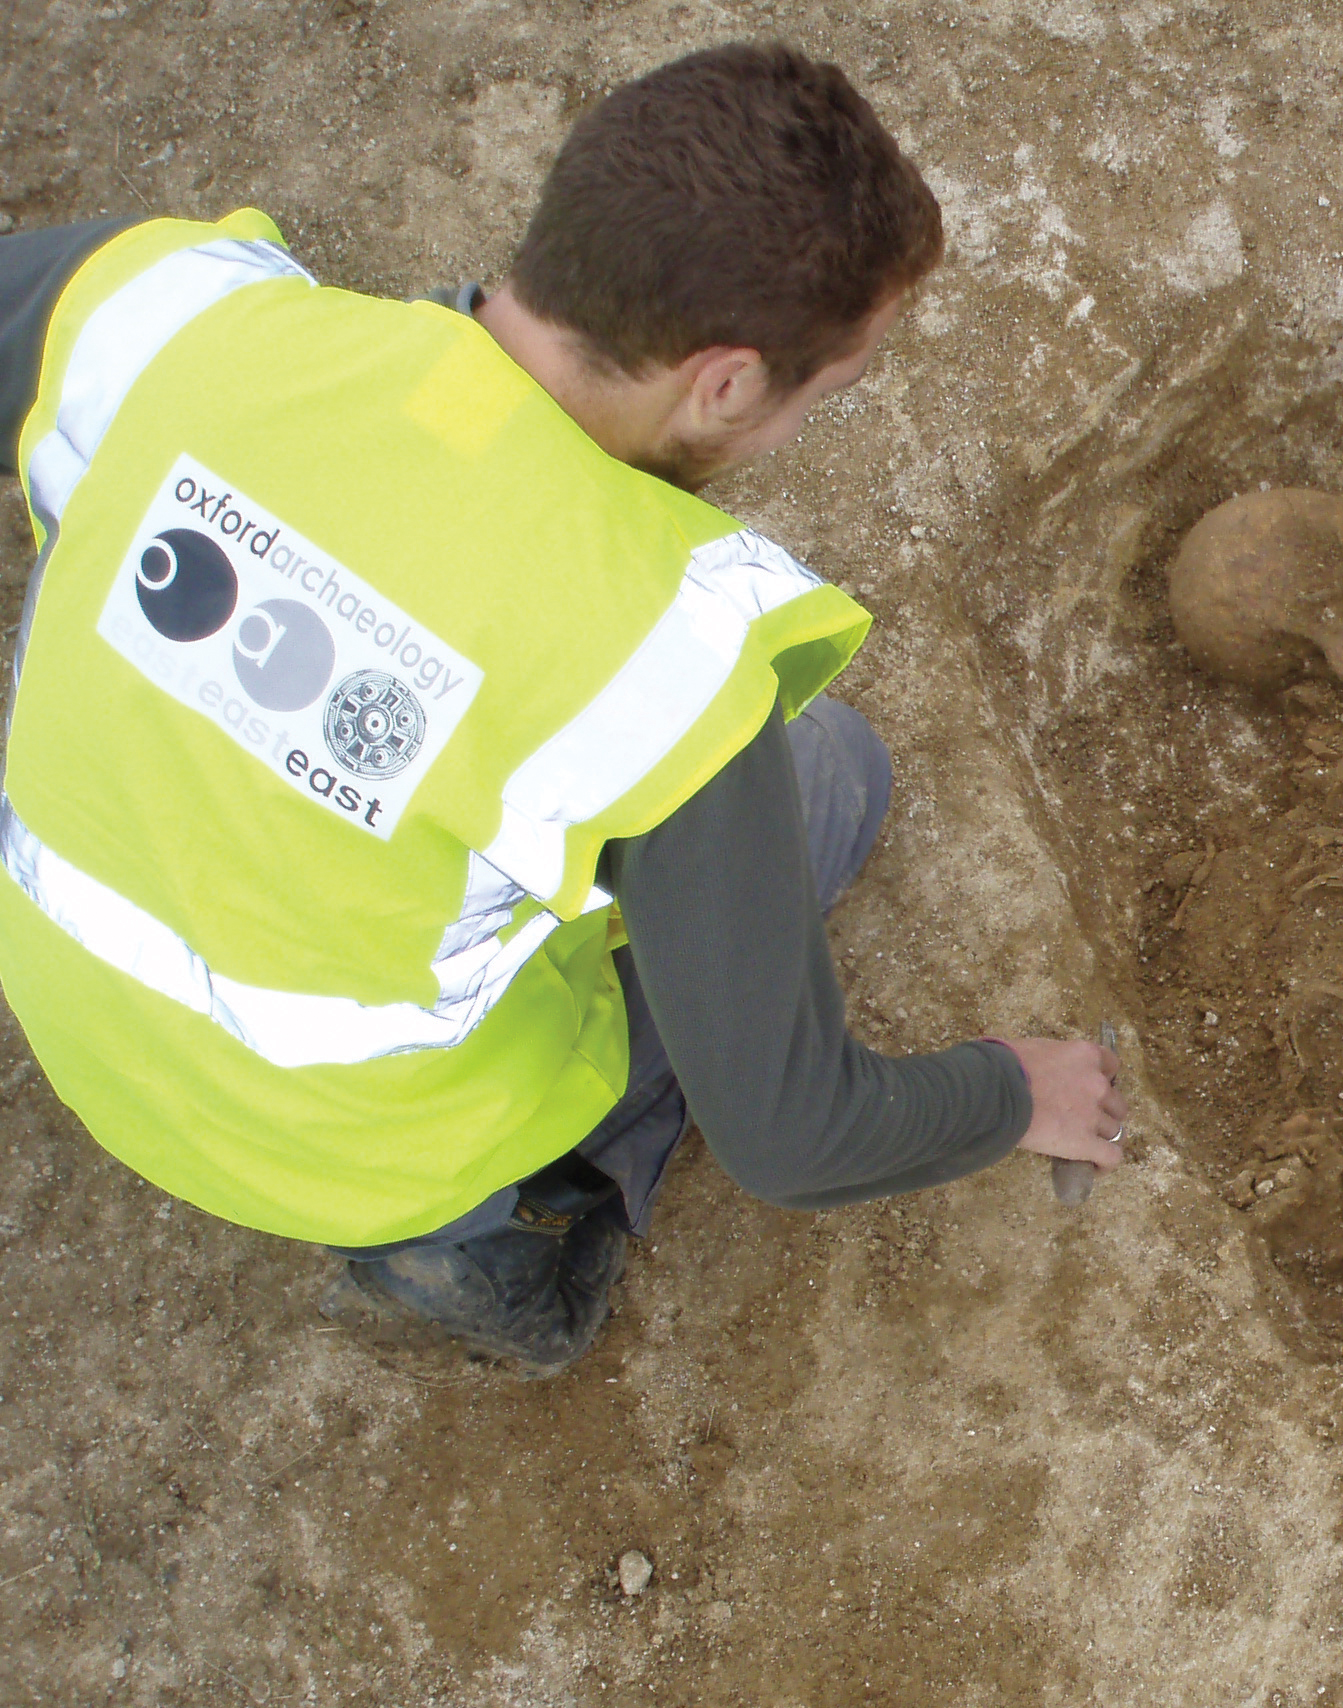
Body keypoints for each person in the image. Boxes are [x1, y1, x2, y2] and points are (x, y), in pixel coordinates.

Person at [0, 44, 1124, 1376]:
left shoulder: (181, 312)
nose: (819, 417)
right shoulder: (662, 660)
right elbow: (793, 1138)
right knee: (830, 779)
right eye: (837, 384)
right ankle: (486, 1236)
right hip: (351, 1153)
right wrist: (1012, 1092)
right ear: (723, 381)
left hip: (75, 1023)